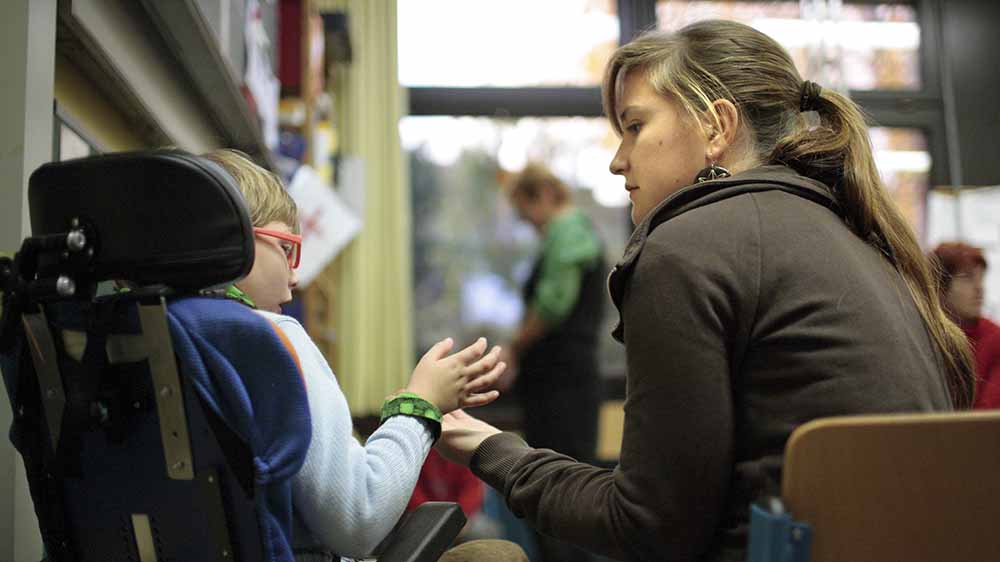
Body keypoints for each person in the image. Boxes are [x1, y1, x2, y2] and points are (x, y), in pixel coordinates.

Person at [433, 19, 975, 562]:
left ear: (717, 127)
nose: (617, 160)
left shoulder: (686, 247)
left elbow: (646, 526)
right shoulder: (859, 237)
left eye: (635, 126)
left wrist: (494, 451)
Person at [200, 149, 527, 562]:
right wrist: (419, 407)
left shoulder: (146, 328)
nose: (295, 277)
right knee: (499, 555)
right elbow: (359, 520)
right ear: (238, 241)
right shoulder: (270, 339)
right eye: (286, 248)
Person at [499, 163, 607, 561]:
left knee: (559, 494)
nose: (526, 222)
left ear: (542, 195)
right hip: (556, 386)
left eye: (523, 210)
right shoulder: (565, 234)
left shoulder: (567, 230)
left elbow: (552, 304)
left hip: (563, 389)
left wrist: (512, 349)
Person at [930, 242, 1000, 408]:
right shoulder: (925, 334)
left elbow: (986, 415)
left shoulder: (995, 339)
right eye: (968, 278)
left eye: (981, 278)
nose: (979, 289)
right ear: (941, 286)